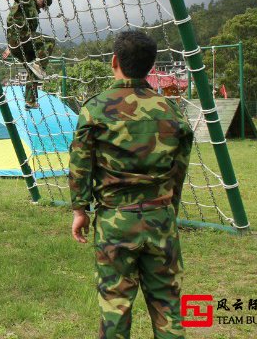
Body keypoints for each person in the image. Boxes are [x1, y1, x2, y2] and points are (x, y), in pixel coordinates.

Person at [68, 30, 194, 338]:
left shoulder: (94, 109)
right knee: (168, 305)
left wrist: (80, 210)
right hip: (160, 218)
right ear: (150, 67)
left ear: (114, 61)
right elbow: (179, 170)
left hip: (114, 222)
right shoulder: (172, 111)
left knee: (115, 306)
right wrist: (168, 209)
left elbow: (80, 165)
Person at [1, 0, 56, 109]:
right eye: (44, 3)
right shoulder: (28, 0)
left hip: (19, 44)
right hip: (20, 40)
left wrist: (10, 47)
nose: (43, 7)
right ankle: (39, 66)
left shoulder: (34, 10)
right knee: (50, 41)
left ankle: (30, 101)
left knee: (33, 72)